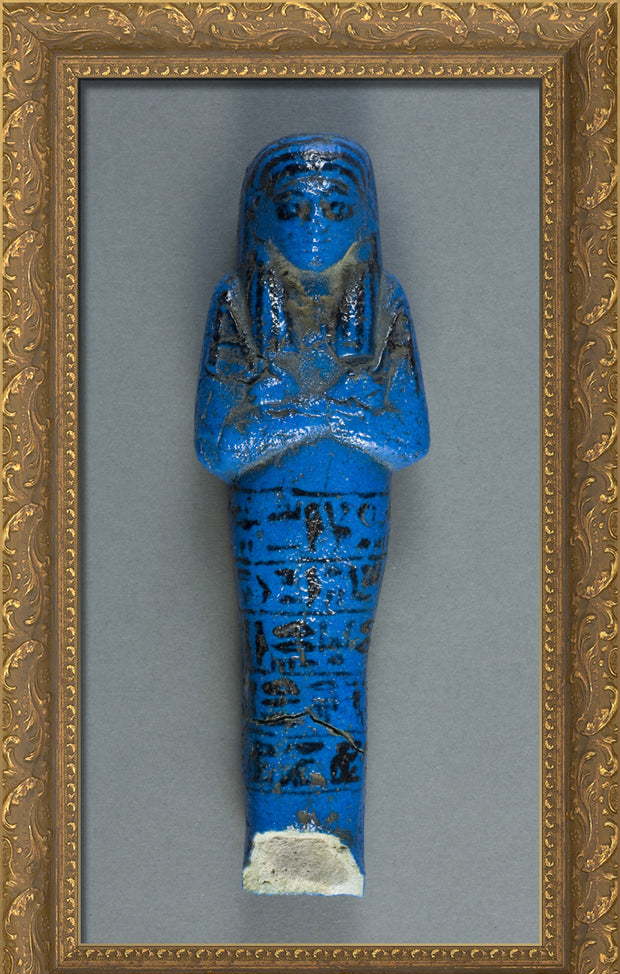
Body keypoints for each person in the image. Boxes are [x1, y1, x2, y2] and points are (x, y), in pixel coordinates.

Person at [195, 135, 429, 895]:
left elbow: (408, 439)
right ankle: (281, 838)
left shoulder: (385, 304)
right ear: (261, 215)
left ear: (363, 217)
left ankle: (328, 840)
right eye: (293, 206)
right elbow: (219, 449)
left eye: (333, 207)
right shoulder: (236, 305)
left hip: (354, 522)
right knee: (277, 665)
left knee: (338, 667)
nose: (313, 224)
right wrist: (330, 415)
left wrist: (293, 414)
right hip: (268, 522)